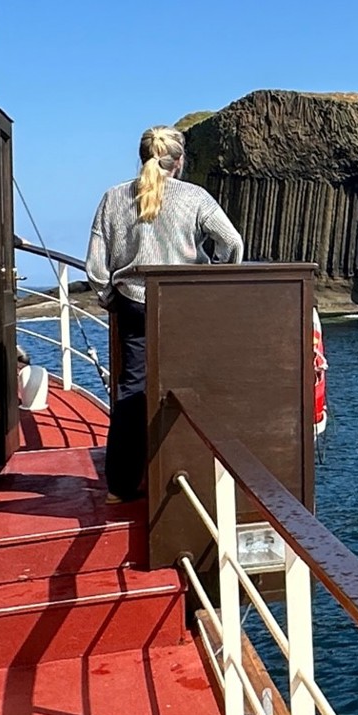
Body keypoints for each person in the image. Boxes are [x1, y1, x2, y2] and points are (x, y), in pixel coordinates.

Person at [85, 126, 243, 502]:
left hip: (133, 303)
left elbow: (95, 264)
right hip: (184, 305)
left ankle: (120, 487)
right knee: (189, 386)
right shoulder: (195, 198)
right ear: (180, 160)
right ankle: (183, 478)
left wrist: (110, 297)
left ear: (142, 157)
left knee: (132, 389)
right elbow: (232, 242)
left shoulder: (113, 197)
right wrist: (213, 279)